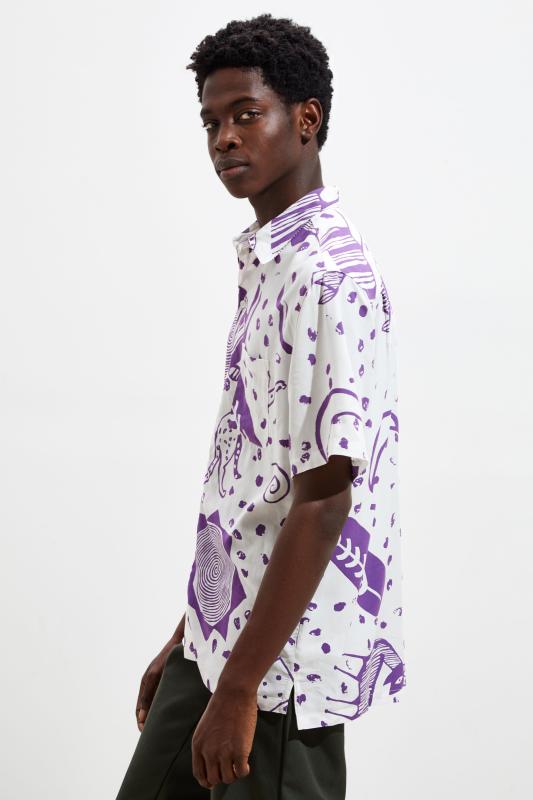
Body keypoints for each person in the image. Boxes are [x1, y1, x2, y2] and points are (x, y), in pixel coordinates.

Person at [116, 12, 407, 799]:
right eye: (211, 122)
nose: (224, 139)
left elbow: (323, 500)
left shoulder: (326, 275)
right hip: (220, 648)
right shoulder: (273, 263)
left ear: (306, 119)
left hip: (278, 679)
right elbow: (256, 488)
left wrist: (240, 686)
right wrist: (190, 636)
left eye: (247, 114)